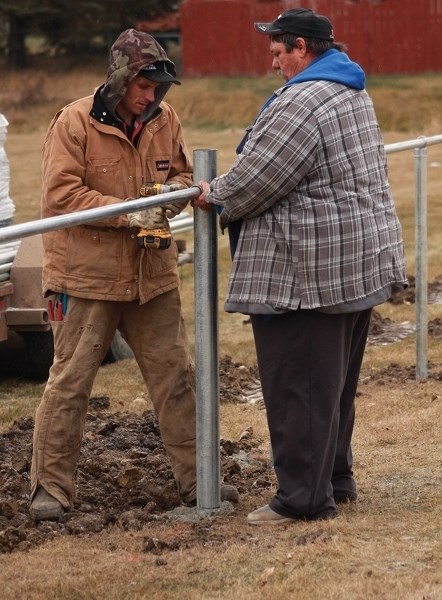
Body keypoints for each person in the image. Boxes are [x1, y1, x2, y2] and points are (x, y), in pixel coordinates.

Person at [194, 8, 407, 525]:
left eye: (277, 53)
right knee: (331, 385)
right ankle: (334, 478)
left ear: (301, 48)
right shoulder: (349, 88)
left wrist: (212, 193)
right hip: (351, 263)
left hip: (308, 271)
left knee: (300, 387)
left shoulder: (304, 100)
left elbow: (258, 178)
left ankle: (303, 500)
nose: (273, 64)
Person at [30, 29, 236, 521]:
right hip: (85, 280)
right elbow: (60, 197)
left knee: (176, 381)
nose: (152, 96)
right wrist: (132, 210)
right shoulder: (74, 124)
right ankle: (50, 491)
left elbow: (184, 177)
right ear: (120, 79)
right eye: (144, 86)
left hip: (152, 278)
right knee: (71, 383)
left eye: (158, 86)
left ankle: (197, 482)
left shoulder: (166, 120)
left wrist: (169, 193)